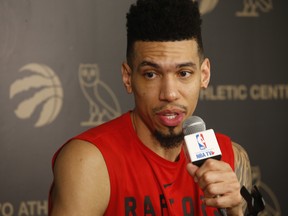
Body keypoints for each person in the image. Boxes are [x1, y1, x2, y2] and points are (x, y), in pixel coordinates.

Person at [49, 0, 252, 215]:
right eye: (151, 74)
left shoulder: (231, 157)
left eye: (183, 73)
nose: (169, 94)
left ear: (204, 75)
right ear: (128, 78)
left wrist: (235, 211)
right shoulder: (89, 162)